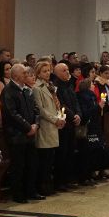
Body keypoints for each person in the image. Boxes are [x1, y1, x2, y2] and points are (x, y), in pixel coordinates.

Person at [0, 63, 40, 203]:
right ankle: (18, 194)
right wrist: (28, 128)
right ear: (16, 75)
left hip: (30, 133)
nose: (26, 75)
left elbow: (35, 110)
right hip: (16, 135)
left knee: (31, 164)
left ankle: (31, 191)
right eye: (24, 73)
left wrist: (35, 124)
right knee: (18, 166)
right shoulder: (8, 91)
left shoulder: (26, 90)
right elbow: (12, 114)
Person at [32, 60, 64, 196]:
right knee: (44, 158)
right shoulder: (37, 88)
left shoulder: (50, 86)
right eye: (44, 71)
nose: (47, 73)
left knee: (51, 158)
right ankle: (42, 185)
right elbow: (41, 109)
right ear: (38, 73)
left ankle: (48, 184)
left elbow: (55, 104)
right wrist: (55, 119)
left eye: (49, 71)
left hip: (53, 124)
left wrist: (60, 117)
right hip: (46, 125)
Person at [52, 63, 81, 190]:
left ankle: (69, 179)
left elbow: (75, 101)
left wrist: (78, 114)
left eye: (68, 70)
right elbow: (61, 105)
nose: (67, 72)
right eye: (64, 70)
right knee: (62, 154)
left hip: (72, 124)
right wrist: (73, 116)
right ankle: (60, 181)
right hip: (63, 124)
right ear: (57, 73)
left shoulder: (69, 85)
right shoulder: (56, 87)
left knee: (70, 152)